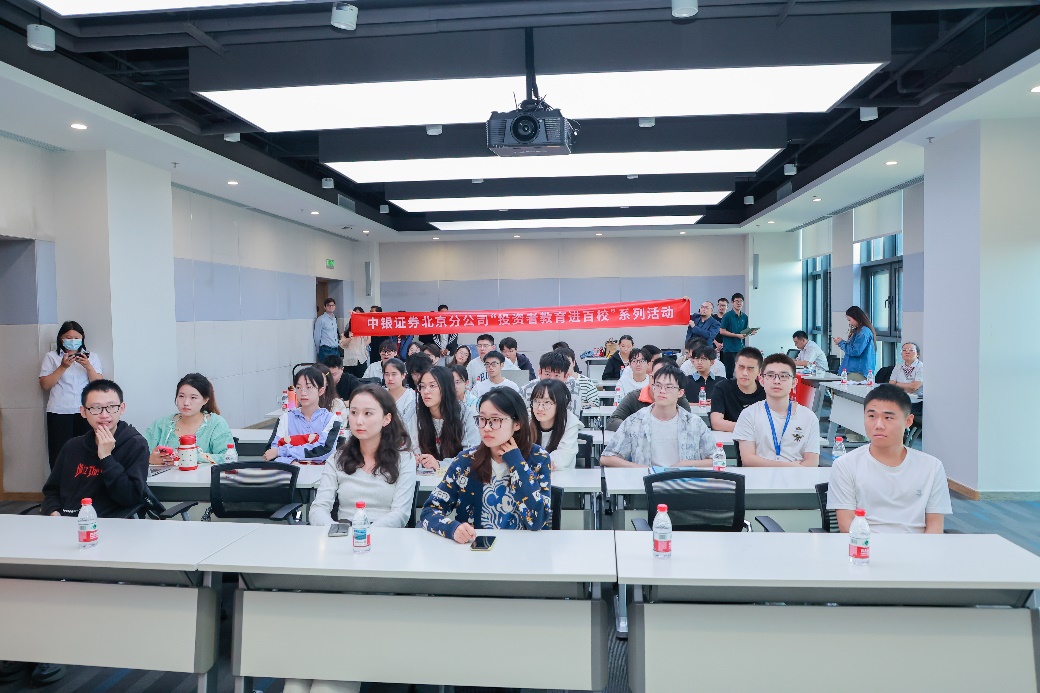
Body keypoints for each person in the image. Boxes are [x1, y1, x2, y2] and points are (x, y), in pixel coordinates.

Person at [18, 380, 148, 688]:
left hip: (109, 531)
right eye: (95, 408)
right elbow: (51, 490)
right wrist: (53, 513)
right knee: (21, 578)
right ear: (83, 412)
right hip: (62, 527)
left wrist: (107, 457)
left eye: (111, 407)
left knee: (58, 587)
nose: (104, 415)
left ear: (122, 408)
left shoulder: (134, 444)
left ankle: (48, 651)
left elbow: (131, 497)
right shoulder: (73, 446)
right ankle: (17, 647)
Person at [421, 387, 551, 541]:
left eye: (495, 420)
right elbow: (429, 511)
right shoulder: (466, 461)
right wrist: (453, 528)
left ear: (517, 423)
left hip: (524, 548)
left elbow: (537, 521)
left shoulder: (538, 458)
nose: (486, 428)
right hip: (476, 548)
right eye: (482, 419)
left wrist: (517, 463)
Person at [828, 384, 951, 533]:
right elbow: (846, 526)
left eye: (888, 417)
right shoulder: (846, 465)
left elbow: (935, 527)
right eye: (872, 416)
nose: (879, 425)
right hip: (866, 545)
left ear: (908, 421)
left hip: (917, 546)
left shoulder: (932, 467)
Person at [309, 385, 416, 528]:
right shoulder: (337, 458)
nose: (359, 421)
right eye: (354, 412)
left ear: (386, 418)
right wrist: (335, 530)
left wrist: (364, 534)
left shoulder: (404, 459)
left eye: (368, 413)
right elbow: (318, 508)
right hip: (344, 532)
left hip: (386, 535)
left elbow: (400, 513)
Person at [601, 364, 715, 468]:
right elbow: (606, 458)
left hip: (683, 481)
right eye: (658, 386)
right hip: (646, 482)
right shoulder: (636, 421)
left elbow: (717, 459)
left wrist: (686, 464)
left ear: (680, 392)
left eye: (669, 387)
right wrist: (640, 469)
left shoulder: (694, 423)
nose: (662, 391)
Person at [733, 354, 820, 467]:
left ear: (794, 383)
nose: (777, 381)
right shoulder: (749, 414)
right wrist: (789, 466)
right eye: (770, 375)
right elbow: (748, 460)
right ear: (761, 380)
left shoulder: (809, 417)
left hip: (798, 477)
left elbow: (812, 462)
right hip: (760, 477)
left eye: (784, 376)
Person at [40, 320, 103, 469]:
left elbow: (99, 385)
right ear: (61, 338)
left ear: (82, 338)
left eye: (76, 338)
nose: (73, 341)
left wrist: (88, 366)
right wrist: (63, 367)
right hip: (59, 411)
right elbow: (45, 385)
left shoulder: (92, 357)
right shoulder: (51, 357)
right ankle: (60, 483)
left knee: (87, 451)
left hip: (85, 411)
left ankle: (86, 482)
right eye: (68, 338)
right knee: (59, 453)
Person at [144, 373, 234, 466]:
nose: (186, 403)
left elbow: (228, 457)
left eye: (193, 397)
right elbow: (138, 453)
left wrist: (188, 458)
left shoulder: (216, 424)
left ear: (205, 400)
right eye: (181, 396)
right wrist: (149, 459)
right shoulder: (162, 424)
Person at [264, 367, 340, 464]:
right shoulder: (285, 419)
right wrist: (291, 463)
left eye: (309, 387)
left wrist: (282, 451)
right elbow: (270, 453)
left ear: (321, 391)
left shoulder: (331, 420)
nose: (303, 393)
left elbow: (324, 451)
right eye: (299, 388)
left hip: (321, 472)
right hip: (291, 472)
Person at [414, 366, 480, 471]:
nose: (426, 391)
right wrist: (414, 459)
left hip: (457, 477)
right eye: (422, 386)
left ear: (446, 387)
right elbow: (406, 449)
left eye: (432, 385)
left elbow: (472, 455)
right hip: (423, 477)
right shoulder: (415, 415)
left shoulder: (466, 415)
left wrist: (440, 465)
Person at [608, 357, 691, 431]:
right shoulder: (634, 397)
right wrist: (637, 428)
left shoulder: (678, 398)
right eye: (654, 377)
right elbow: (612, 421)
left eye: (667, 383)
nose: (656, 382)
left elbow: (688, 423)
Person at [710, 347, 767, 433]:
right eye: (741, 367)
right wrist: (751, 428)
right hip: (729, 439)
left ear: (759, 371)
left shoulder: (766, 391)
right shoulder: (722, 388)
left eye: (750, 368)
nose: (745, 373)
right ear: (735, 366)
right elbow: (716, 423)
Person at [529, 379, 582, 471]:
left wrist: (543, 463)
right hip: (530, 475)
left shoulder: (570, 422)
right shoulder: (527, 419)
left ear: (559, 404)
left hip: (561, 475)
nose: (540, 408)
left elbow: (564, 456)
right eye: (536, 401)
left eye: (547, 402)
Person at [519, 351, 582, 417]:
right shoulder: (527, 389)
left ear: (566, 376)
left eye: (557, 375)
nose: (551, 379)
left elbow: (573, 417)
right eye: (547, 374)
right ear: (540, 372)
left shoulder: (573, 387)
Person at [719, 293, 755, 378]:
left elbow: (743, 332)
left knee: (741, 370)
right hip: (729, 349)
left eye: (741, 301)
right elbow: (722, 331)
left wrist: (749, 332)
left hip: (740, 348)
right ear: (732, 302)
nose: (739, 303)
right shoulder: (727, 316)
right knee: (729, 372)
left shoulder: (745, 317)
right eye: (737, 301)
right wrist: (736, 335)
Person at [834, 306, 877, 377]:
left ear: (856, 317)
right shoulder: (860, 331)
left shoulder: (863, 332)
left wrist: (841, 343)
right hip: (854, 370)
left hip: (857, 371)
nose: (850, 323)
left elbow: (855, 351)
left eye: (849, 320)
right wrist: (842, 342)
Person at [381, 358, 417, 432]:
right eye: (387, 374)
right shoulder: (379, 394)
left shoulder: (411, 397)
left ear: (403, 375)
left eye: (394, 374)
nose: (390, 378)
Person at [338, 308, 370, 379]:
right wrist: (350, 338)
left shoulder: (363, 333)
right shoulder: (345, 334)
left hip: (361, 361)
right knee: (349, 381)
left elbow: (368, 339)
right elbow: (342, 345)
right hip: (349, 362)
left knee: (361, 381)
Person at [313, 297, 339, 363]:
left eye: (332, 305)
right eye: (328, 305)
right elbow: (317, 336)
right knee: (326, 369)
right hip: (326, 350)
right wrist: (319, 350)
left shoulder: (334, 318)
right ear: (325, 307)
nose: (331, 307)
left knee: (336, 368)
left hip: (336, 349)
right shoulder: (321, 319)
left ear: (335, 306)